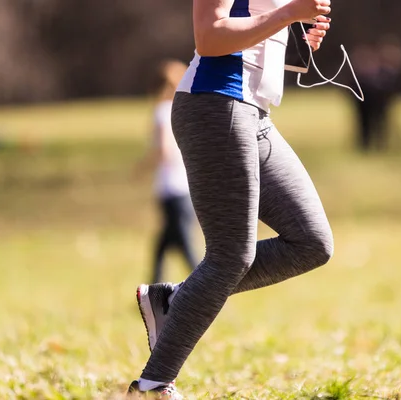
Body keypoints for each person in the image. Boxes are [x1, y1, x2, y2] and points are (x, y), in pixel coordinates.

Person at [127, 0, 334, 398]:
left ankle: (172, 300)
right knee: (229, 256)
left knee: (312, 242)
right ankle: (152, 385)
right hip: (214, 105)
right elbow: (209, 37)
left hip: (255, 113)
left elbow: (254, 40)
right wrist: (287, 14)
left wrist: (297, 43)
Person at [133, 60, 199, 284]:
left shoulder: (162, 111)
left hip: (171, 188)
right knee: (162, 245)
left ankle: (207, 292)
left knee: (186, 248)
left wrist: (143, 166)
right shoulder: (183, 112)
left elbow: (164, 150)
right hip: (186, 186)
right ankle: (154, 288)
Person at [351, 37, 401, 152]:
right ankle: (368, 144)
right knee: (369, 122)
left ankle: (376, 143)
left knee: (379, 121)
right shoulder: (369, 74)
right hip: (366, 97)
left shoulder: (386, 73)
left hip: (377, 98)